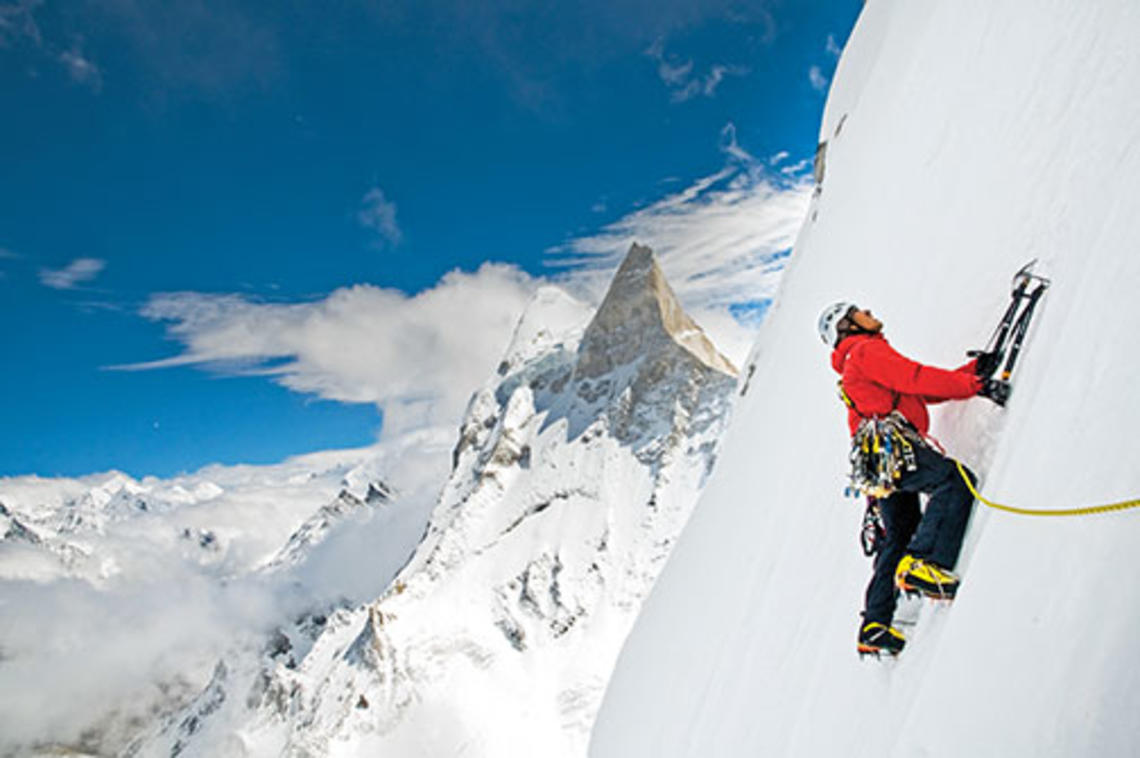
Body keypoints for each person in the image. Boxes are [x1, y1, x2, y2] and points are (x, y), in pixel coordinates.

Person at [818, 302, 1000, 657]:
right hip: (893, 447)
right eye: (857, 311)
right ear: (847, 326)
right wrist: (976, 386)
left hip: (876, 462)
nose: (867, 311)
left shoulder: (855, 360)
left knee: (899, 533)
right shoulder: (866, 350)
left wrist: (969, 373)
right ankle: (926, 564)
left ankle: (875, 624)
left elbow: (917, 390)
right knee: (954, 480)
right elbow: (914, 377)